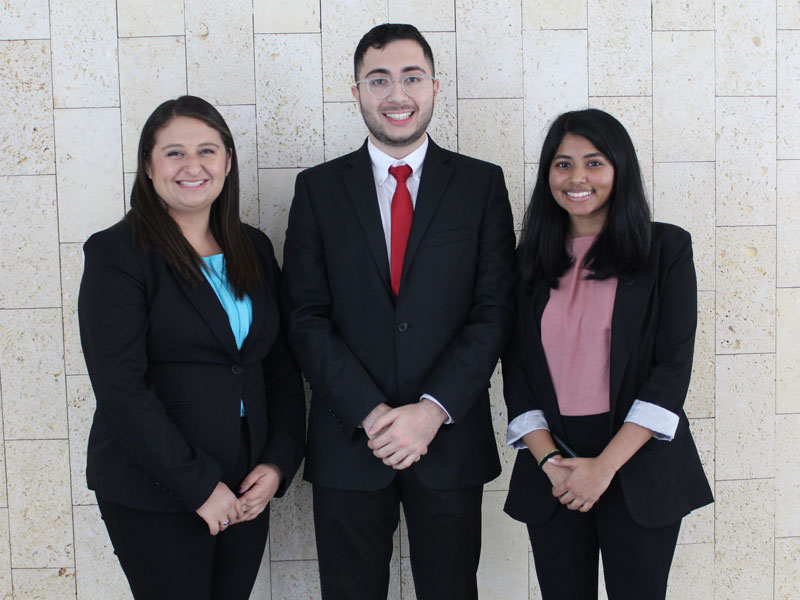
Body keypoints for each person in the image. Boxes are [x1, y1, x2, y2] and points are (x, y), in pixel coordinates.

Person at [281, 23, 516, 600]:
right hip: (349, 441)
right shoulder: (317, 189)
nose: (397, 95)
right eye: (379, 79)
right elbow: (305, 316)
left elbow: (494, 311)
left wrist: (431, 412)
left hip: (448, 441)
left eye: (412, 78)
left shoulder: (482, 186)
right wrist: (371, 414)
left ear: (435, 86)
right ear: (356, 90)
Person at [78, 95, 306, 600]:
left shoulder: (254, 248)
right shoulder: (117, 254)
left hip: (247, 484)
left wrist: (277, 463)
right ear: (148, 164)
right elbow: (121, 388)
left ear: (227, 161)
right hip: (154, 486)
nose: (192, 166)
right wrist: (199, 486)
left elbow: (278, 369)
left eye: (207, 150)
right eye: (174, 152)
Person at [502, 108, 713, 599]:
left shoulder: (667, 249)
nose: (577, 178)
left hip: (640, 462)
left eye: (594, 163)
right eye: (562, 163)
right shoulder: (527, 261)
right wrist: (551, 460)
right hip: (553, 467)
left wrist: (604, 467)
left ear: (620, 168)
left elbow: (671, 370)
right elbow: (516, 373)